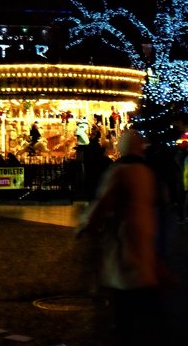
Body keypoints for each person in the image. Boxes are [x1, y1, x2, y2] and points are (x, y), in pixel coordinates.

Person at [77, 128, 176, 346]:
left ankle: (126, 328)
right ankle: (153, 324)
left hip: (124, 234)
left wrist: (87, 223)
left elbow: (104, 201)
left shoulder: (119, 171)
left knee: (125, 283)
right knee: (144, 276)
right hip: (146, 231)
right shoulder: (147, 171)